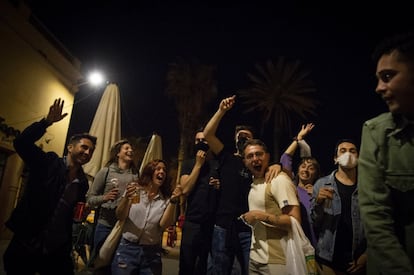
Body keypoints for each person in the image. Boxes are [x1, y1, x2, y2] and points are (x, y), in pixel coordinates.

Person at [3, 98, 97, 275]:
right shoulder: (48, 162)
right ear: (70, 147)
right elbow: (21, 143)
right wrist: (46, 122)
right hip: (28, 242)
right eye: (84, 147)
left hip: (57, 248)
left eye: (91, 151)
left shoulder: (83, 182)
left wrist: (81, 214)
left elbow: (71, 211)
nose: (87, 153)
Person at [203, 95, 282, 275]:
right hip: (223, 226)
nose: (243, 139)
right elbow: (208, 134)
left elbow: (277, 167)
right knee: (219, 270)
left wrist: (279, 165)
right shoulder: (226, 157)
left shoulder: (258, 164)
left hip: (249, 229)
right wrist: (222, 110)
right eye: (240, 137)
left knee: (251, 271)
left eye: (247, 137)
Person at [358, 32, 414, 274]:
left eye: (388, 77)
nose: (379, 88)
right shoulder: (377, 133)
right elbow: (376, 220)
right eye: (379, 79)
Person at [111, 159, 182, 275]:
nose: (162, 172)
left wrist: (173, 202)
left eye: (164, 170)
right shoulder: (135, 190)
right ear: (150, 171)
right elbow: (120, 216)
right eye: (158, 169)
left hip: (152, 253)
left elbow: (164, 225)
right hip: (128, 249)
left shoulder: (165, 199)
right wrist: (125, 199)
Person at [240, 139, 301, 274]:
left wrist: (259, 215)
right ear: (245, 162)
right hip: (255, 258)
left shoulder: (279, 180)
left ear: (267, 156)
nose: (255, 159)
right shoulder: (252, 182)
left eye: (259, 154)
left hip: (277, 260)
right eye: (250, 156)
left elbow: (295, 221)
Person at [310, 139, 366, 275]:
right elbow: (315, 223)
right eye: (343, 151)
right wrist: (318, 203)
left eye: (353, 151)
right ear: (336, 158)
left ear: (358, 157)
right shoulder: (321, 185)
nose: (348, 154)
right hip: (328, 260)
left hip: (359, 260)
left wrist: (367, 254)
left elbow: (377, 223)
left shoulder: (368, 186)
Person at [87, 139, 139, 273]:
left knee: (117, 267)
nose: (130, 150)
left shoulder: (135, 174)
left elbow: (137, 201)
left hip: (124, 228)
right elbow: (90, 198)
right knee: (100, 264)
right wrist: (105, 197)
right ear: (118, 153)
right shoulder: (106, 172)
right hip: (105, 225)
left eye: (131, 148)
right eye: (126, 148)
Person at [178, 129, 220, 275]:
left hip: (211, 225)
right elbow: (185, 190)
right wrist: (198, 165)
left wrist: (218, 186)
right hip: (192, 223)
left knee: (204, 267)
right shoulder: (189, 164)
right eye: (198, 140)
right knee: (186, 265)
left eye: (204, 140)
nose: (201, 143)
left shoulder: (217, 164)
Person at [280, 123, 320, 246]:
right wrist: (298, 139)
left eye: (311, 168)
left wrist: (316, 196)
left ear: (317, 173)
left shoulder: (320, 191)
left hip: (318, 245)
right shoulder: (292, 188)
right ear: (297, 170)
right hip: (297, 244)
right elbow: (285, 158)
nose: (306, 170)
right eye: (303, 166)